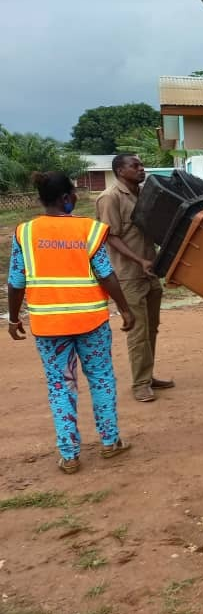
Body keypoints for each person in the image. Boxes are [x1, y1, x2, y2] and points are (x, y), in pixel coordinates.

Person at [7, 172, 135, 474]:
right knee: (101, 379)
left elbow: (15, 281)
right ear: (66, 198)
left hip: (49, 326)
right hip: (91, 321)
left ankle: (69, 455)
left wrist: (13, 318)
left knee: (60, 386)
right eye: (74, 193)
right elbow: (105, 273)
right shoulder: (87, 230)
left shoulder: (25, 232)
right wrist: (125, 309)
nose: (76, 197)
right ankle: (110, 442)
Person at [95, 154, 173, 402]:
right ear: (120, 171)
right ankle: (140, 384)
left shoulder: (142, 193)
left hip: (149, 271)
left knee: (151, 328)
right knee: (138, 331)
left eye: (141, 165)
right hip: (129, 275)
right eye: (135, 166)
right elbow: (110, 236)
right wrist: (139, 260)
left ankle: (147, 376)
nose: (141, 169)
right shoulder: (110, 197)